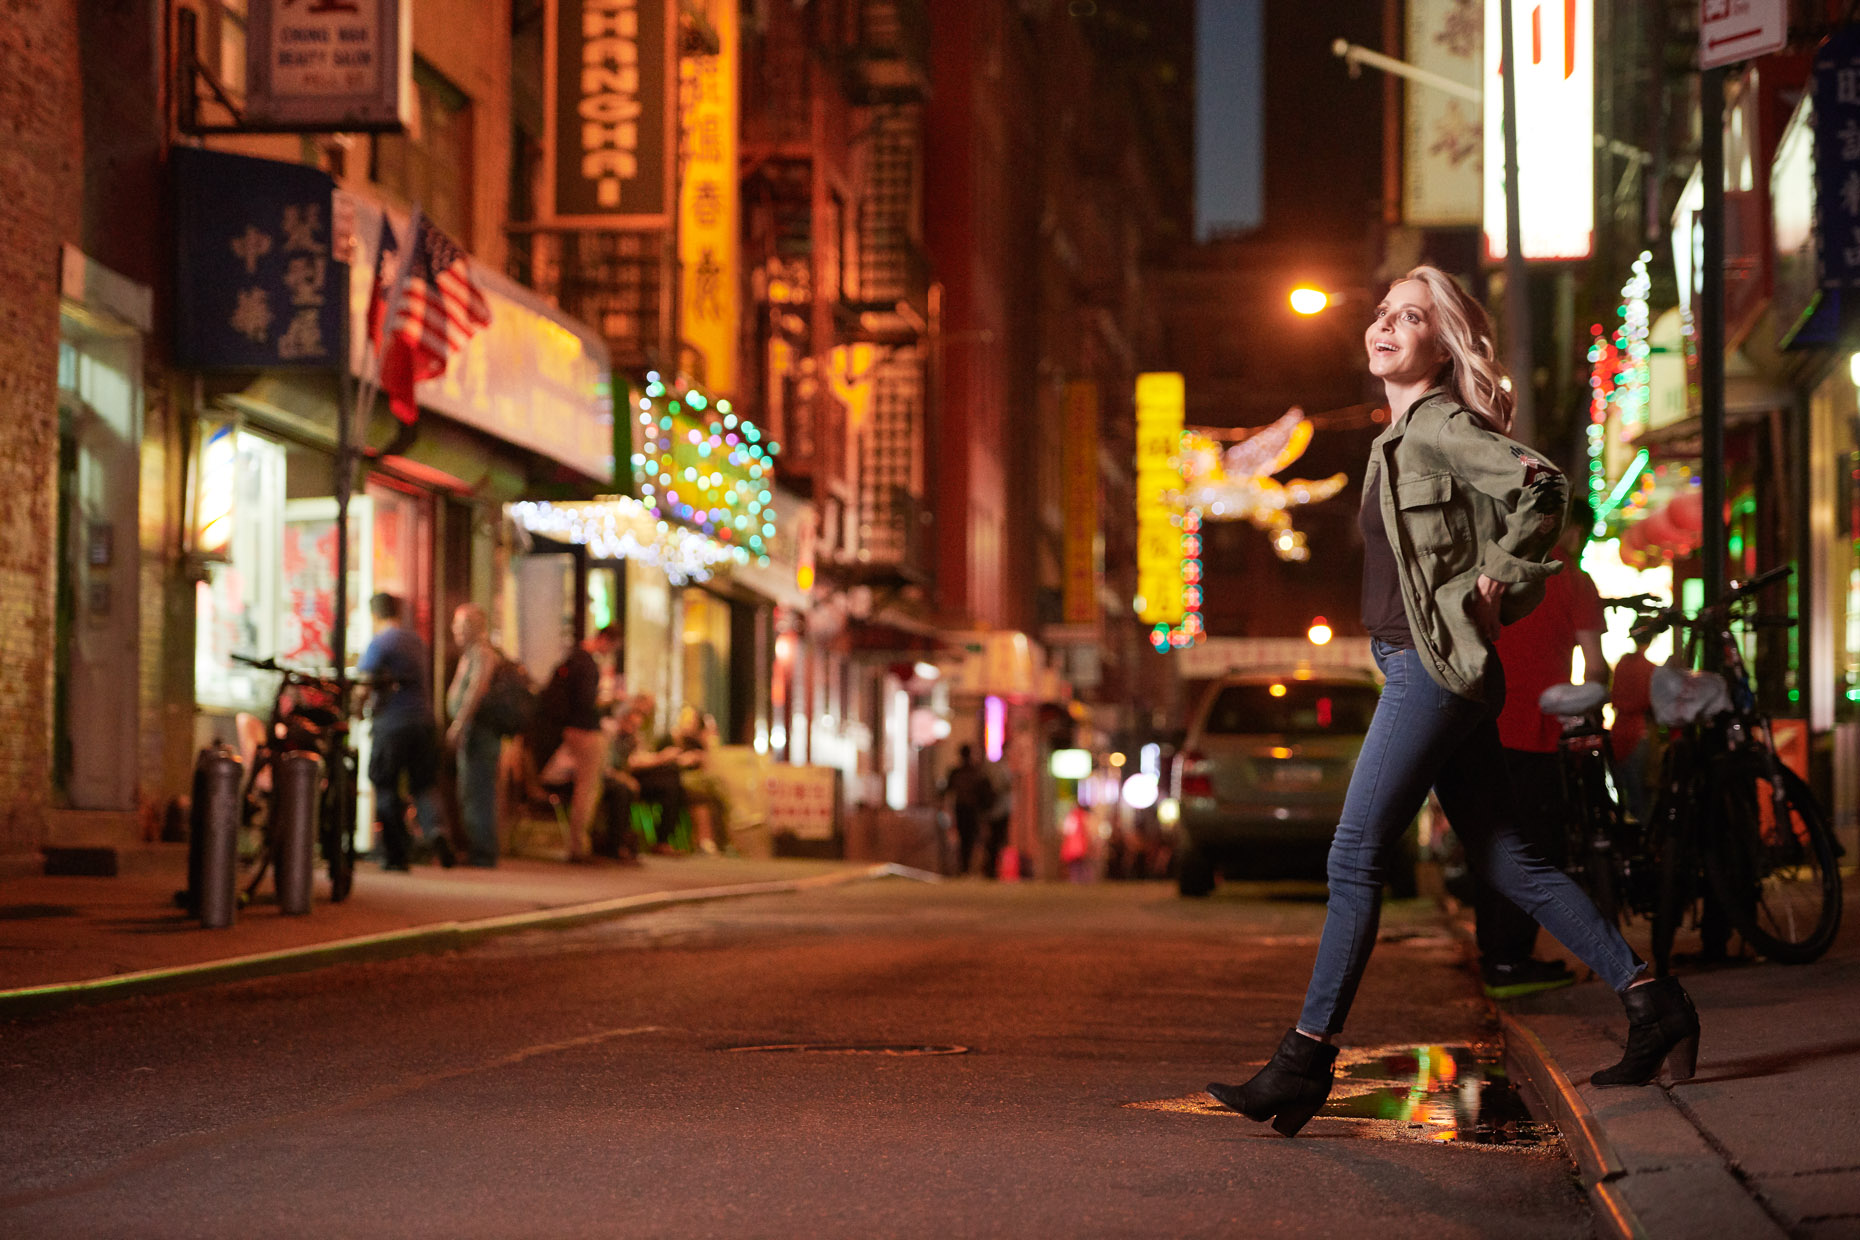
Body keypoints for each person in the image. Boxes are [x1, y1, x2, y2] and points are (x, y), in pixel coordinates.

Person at [1205, 267, 1697, 1138]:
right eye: (1382, 313)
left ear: (1444, 343)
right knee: (1509, 861)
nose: (1385, 326)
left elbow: (1545, 486)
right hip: (1424, 667)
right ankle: (1653, 1002)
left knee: (1354, 855)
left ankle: (1305, 1059)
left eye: (1411, 317)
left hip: (1431, 671)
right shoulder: (1393, 440)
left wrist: (1499, 577)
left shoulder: (1441, 426)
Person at [1478, 496, 1610, 998]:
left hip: (1484, 728)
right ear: (1572, 531)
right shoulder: (1573, 579)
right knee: (1537, 848)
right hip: (1535, 732)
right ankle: (1511, 960)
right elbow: (1595, 666)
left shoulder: (1497, 569)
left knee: (1493, 841)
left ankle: (1494, 956)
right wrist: (1596, 694)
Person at [357, 592, 452, 871]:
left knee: (385, 784)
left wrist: (356, 710)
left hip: (391, 723)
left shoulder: (380, 642)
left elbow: (364, 682)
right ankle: (436, 832)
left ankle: (396, 852)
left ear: (375, 615)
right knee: (423, 784)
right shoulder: (416, 642)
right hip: (422, 721)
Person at [533, 626, 619, 863]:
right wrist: (608, 701)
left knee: (585, 788)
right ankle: (579, 846)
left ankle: (579, 845)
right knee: (587, 789)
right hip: (585, 730)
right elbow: (586, 701)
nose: (610, 652)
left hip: (571, 730)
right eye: (612, 647)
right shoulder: (587, 664)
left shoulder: (573, 659)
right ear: (605, 639)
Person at [444, 603, 501, 867]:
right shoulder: (472, 653)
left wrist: (459, 725)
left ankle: (482, 852)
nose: (454, 629)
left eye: (459, 624)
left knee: (477, 791)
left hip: (479, 733)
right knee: (471, 790)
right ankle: (477, 848)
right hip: (474, 731)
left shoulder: (482, 653)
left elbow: (476, 690)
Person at [1610, 634, 1657, 823]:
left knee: (1621, 786)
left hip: (1618, 730)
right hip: (1639, 729)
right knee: (1639, 788)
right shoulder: (1650, 668)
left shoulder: (1622, 664)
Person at [941, 744, 996, 875]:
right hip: (970, 809)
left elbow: (947, 790)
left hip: (964, 809)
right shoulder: (974, 772)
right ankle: (967, 866)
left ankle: (966, 866)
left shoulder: (960, 772)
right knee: (969, 837)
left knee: (966, 837)